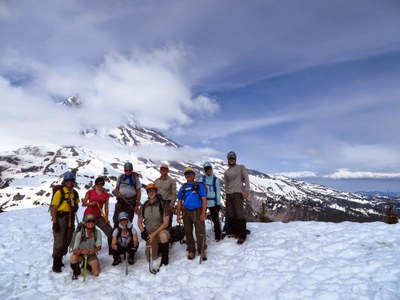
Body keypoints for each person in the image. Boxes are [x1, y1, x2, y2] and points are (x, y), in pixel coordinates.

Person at [50, 171, 80, 273]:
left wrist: (75, 207)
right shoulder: (59, 193)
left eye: (71, 181)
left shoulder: (74, 193)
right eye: (68, 181)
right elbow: (54, 208)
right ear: (64, 181)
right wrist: (55, 222)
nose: (69, 183)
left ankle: (60, 259)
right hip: (60, 218)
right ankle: (56, 263)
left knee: (67, 240)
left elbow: (76, 205)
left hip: (70, 218)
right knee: (59, 241)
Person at [176, 167, 207, 260]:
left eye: (191, 174)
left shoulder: (199, 185)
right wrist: (178, 214)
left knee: (200, 231)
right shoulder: (183, 187)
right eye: (187, 174)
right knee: (188, 231)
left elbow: (204, 199)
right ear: (185, 176)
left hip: (197, 211)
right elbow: (179, 201)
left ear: (194, 175)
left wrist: (203, 213)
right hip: (186, 212)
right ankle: (191, 249)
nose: (189, 175)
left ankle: (201, 250)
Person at [138, 184, 170, 266]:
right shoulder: (144, 205)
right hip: (149, 233)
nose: (151, 193)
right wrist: (143, 232)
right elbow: (139, 221)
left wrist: (154, 234)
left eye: (153, 191)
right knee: (151, 258)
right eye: (149, 192)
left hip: (160, 231)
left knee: (163, 236)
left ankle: (165, 258)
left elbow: (166, 223)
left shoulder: (163, 204)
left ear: (156, 192)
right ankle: (158, 247)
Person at [223, 151, 250, 245]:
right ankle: (234, 232)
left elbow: (246, 179)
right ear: (228, 160)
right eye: (230, 158)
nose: (231, 160)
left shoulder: (241, 167)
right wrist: (227, 193)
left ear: (235, 159)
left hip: (238, 193)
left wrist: (246, 190)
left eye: (233, 158)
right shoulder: (226, 172)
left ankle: (242, 235)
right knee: (231, 214)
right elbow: (226, 185)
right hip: (229, 194)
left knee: (239, 214)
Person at [82, 176, 113, 254]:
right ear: (95, 184)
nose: (99, 185)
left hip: (98, 216)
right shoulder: (90, 192)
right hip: (88, 215)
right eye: (97, 184)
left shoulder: (106, 195)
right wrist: (91, 203)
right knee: (86, 233)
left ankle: (112, 249)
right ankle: (85, 251)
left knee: (109, 231)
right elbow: (83, 203)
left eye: (101, 184)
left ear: (103, 184)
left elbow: (106, 207)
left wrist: (106, 218)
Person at [70, 214, 102, 280]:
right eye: (89, 221)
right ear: (85, 223)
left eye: (93, 221)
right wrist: (81, 251)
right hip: (80, 254)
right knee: (73, 258)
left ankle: (88, 264)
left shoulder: (97, 233)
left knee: (96, 273)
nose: (91, 223)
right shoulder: (79, 234)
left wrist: (91, 251)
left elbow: (99, 247)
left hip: (91, 254)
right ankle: (76, 271)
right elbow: (74, 250)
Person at [113, 162, 142, 227]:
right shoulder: (120, 177)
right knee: (117, 219)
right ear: (124, 170)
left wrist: (137, 205)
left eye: (130, 170)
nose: (128, 171)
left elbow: (138, 191)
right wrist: (118, 193)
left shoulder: (135, 178)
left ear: (132, 169)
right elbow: (116, 189)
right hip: (121, 201)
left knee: (128, 220)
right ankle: (116, 234)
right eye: (126, 170)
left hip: (131, 202)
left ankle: (127, 234)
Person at [200, 162, 222, 242]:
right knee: (201, 219)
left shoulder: (215, 180)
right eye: (206, 169)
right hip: (204, 202)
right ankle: (201, 235)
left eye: (209, 168)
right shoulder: (202, 179)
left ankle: (218, 235)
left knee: (215, 219)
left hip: (213, 202)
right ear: (204, 170)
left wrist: (218, 204)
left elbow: (218, 193)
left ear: (211, 169)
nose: (208, 170)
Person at [154, 163, 177, 229]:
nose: (163, 170)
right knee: (158, 220)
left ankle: (168, 237)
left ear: (168, 170)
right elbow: (153, 192)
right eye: (162, 169)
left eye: (165, 169)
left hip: (167, 203)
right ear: (160, 170)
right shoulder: (156, 181)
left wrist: (172, 205)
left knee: (168, 222)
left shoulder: (172, 181)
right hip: (157, 203)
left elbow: (174, 193)